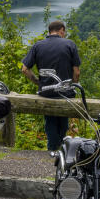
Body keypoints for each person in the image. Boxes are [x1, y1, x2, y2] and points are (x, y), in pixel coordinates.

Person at [20, 20, 81, 151]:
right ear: (61, 30)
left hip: (46, 92)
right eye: (64, 32)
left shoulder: (38, 45)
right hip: (65, 92)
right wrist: (74, 85)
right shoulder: (70, 44)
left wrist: (38, 82)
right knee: (63, 123)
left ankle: (53, 149)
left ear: (50, 31)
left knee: (50, 122)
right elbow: (76, 72)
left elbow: (24, 69)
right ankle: (60, 149)